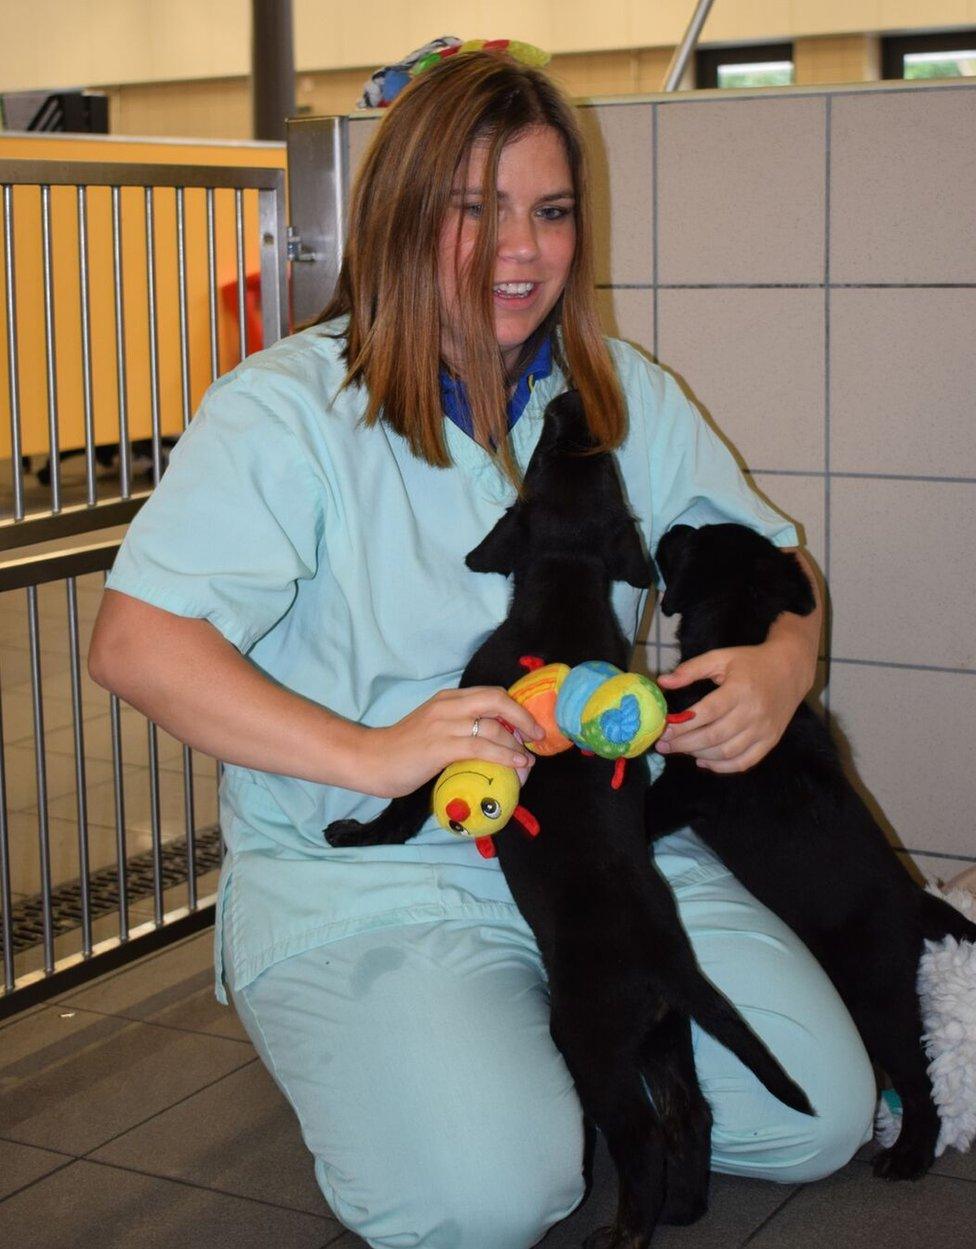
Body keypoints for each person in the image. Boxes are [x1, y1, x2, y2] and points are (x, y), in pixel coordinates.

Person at [89, 51, 876, 1249]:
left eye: (550, 212)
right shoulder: (287, 410)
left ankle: (499, 1050)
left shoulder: (617, 399)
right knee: (497, 1194)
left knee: (822, 1116)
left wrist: (784, 665)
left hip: (596, 854)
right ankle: (407, 1050)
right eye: (476, 208)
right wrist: (369, 752)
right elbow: (136, 643)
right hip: (377, 870)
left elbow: (775, 564)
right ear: (404, 218)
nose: (523, 249)